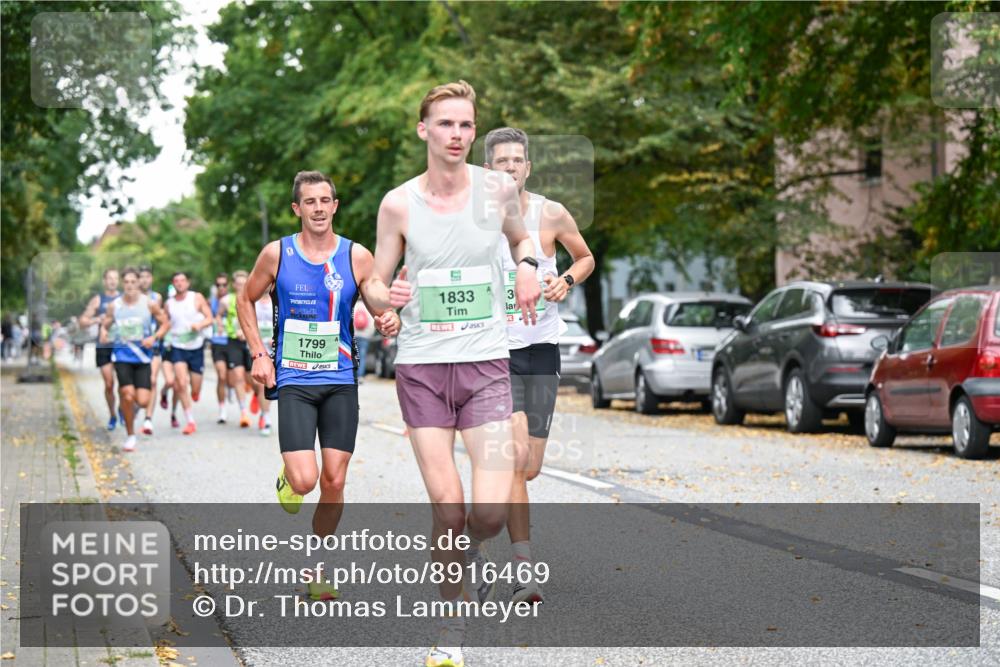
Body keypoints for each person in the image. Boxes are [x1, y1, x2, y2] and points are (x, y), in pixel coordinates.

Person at [366, 80, 540, 667]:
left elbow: (522, 241)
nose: (457, 134)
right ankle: (450, 629)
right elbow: (375, 280)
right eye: (445, 124)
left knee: (486, 514)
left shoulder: (497, 189)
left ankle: (470, 551)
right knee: (447, 507)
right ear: (424, 130)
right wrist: (384, 298)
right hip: (422, 368)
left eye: (466, 124)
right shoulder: (398, 203)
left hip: (486, 365)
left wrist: (527, 267)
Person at [238, 170, 400, 600]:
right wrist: (258, 353)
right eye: (309, 201)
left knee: (334, 481)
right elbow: (245, 298)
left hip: (340, 379)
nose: (318, 208)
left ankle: (318, 567)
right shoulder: (277, 254)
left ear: (335, 205)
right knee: (305, 481)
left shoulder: (355, 255)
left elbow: (376, 295)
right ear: (297, 208)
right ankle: (290, 478)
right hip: (293, 378)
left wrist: (388, 314)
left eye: (325, 200)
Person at [484, 126, 595, 606]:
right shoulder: (475, 221)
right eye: (501, 161)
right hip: (496, 352)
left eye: (517, 160)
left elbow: (585, 258)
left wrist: (565, 280)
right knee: (514, 459)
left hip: (542, 349)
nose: (510, 167)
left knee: (528, 469)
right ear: (487, 169)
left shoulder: (551, 213)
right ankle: (523, 570)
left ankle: (478, 528)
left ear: (528, 167)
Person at [100, 268, 169, 452]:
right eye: (126, 282)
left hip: (143, 358)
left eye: (133, 282)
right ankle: (130, 435)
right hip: (122, 356)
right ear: (123, 284)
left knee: (143, 400)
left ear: (138, 283)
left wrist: (154, 337)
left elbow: (165, 323)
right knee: (127, 394)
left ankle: (126, 408)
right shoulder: (115, 305)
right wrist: (104, 333)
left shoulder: (149, 304)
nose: (130, 285)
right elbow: (105, 324)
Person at [164, 272, 213, 435]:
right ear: (173, 284)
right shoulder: (169, 304)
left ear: (188, 283)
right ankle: (190, 421)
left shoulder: (196, 298)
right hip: (177, 346)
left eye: (182, 280)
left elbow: (210, 318)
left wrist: (200, 325)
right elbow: (165, 323)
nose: (179, 283)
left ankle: (195, 392)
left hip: (196, 346)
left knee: (195, 388)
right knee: (181, 382)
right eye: (176, 281)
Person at [79, 268, 121, 430]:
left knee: (124, 384)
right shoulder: (98, 300)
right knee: (109, 384)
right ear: (104, 281)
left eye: (115, 278)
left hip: (121, 346)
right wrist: (96, 319)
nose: (112, 281)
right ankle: (112, 415)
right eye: (109, 278)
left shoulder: (124, 298)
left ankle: (123, 408)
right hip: (103, 346)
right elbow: (82, 321)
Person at [215, 270, 253, 428]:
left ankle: (257, 395)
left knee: (253, 380)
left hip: (251, 342)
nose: (241, 286)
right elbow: (218, 315)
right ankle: (244, 412)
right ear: (234, 285)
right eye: (238, 284)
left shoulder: (254, 298)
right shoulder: (226, 300)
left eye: (244, 283)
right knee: (238, 376)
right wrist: (220, 325)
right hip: (233, 341)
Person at [138, 266, 166, 435]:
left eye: (147, 276)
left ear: (151, 279)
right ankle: (132, 405)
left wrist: (156, 336)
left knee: (153, 380)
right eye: (141, 277)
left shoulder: (157, 297)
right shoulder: (130, 298)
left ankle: (148, 419)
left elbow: (161, 320)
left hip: (152, 346)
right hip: (133, 347)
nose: (144, 280)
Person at [209, 272, 232, 424]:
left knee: (232, 379)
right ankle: (222, 409)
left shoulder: (233, 299)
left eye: (224, 284)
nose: (221, 287)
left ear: (228, 285)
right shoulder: (211, 302)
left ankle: (231, 388)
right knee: (221, 375)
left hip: (232, 341)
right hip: (217, 342)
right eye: (218, 285)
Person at [352, 302, 375, 382]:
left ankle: (353, 374)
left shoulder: (354, 306)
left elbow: (351, 320)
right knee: (362, 356)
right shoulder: (367, 306)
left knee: (353, 355)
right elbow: (372, 322)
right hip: (365, 336)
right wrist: (370, 334)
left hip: (354, 334)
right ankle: (360, 376)